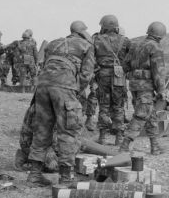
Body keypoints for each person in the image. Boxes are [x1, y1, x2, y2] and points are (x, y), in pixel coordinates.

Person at [27, 21, 95, 186]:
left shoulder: (54, 43)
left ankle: (34, 175)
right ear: (83, 32)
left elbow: (43, 64)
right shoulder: (86, 45)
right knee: (68, 131)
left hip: (42, 86)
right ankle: (65, 178)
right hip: (64, 87)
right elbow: (86, 74)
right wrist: (76, 92)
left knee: (41, 130)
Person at [119, 21, 169, 156]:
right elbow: (158, 71)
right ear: (160, 36)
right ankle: (124, 145)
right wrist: (161, 91)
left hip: (134, 86)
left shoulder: (135, 45)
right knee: (141, 115)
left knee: (150, 115)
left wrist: (135, 73)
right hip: (146, 87)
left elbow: (125, 66)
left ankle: (155, 146)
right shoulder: (155, 48)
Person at [93, 14, 131, 146]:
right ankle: (119, 137)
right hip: (119, 75)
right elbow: (130, 60)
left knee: (104, 105)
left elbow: (91, 59)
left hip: (102, 75)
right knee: (118, 105)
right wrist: (122, 69)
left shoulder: (96, 40)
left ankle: (103, 137)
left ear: (103, 26)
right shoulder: (125, 41)